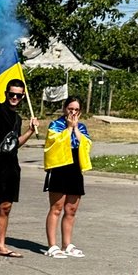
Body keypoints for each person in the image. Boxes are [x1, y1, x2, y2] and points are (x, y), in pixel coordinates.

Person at [0, 77, 39, 260]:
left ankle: (0, 246)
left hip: (11, 166)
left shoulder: (17, 119)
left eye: (18, 96)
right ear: (6, 94)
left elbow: (14, 143)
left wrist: (30, 131)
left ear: (23, 97)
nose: (14, 98)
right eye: (12, 94)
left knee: (6, 206)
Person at [42, 96, 92, 259]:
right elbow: (54, 144)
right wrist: (69, 128)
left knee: (71, 209)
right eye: (70, 109)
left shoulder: (82, 127)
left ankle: (67, 244)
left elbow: (86, 144)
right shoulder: (55, 125)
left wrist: (76, 128)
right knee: (56, 207)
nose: (73, 112)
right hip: (60, 167)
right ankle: (52, 245)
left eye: (76, 110)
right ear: (65, 109)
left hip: (75, 168)